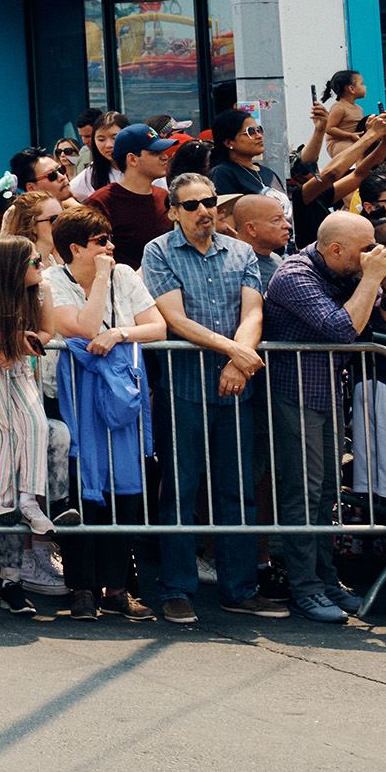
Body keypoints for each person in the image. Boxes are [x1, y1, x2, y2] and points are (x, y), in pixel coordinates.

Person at [258, 209, 386, 623]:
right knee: (303, 493)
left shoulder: (344, 270)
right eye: (363, 251)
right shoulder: (294, 276)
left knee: (325, 494)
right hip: (295, 393)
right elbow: (342, 328)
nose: (370, 257)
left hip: (327, 390)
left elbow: (380, 319)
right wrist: (372, 279)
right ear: (335, 249)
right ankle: (305, 588)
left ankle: (325, 580)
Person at [140, 177, 275, 622]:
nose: (203, 210)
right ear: (173, 211)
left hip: (237, 385)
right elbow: (174, 319)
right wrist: (233, 350)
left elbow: (253, 311)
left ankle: (241, 587)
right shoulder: (158, 251)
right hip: (182, 388)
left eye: (209, 202)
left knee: (237, 489)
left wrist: (238, 361)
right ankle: (177, 587)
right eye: (192, 204)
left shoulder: (240, 251)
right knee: (180, 489)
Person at [40, 204, 164, 618]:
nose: (111, 247)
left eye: (110, 238)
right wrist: (102, 280)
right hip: (72, 400)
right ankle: (82, 588)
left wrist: (121, 332)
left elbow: (157, 327)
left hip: (120, 398)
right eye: (101, 241)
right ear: (75, 248)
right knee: (83, 494)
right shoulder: (51, 281)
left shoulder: (125, 275)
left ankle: (117, 588)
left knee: (123, 494)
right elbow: (82, 328)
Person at [0, 237, 76, 601]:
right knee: (1, 439)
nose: (40, 265)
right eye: (33, 261)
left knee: (38, 428)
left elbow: (47, 332)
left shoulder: (38, 292)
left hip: (20, 374)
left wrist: (25, 340)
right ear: (11, 266)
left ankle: (32, 501)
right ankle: (1, 516)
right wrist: (8, 340)